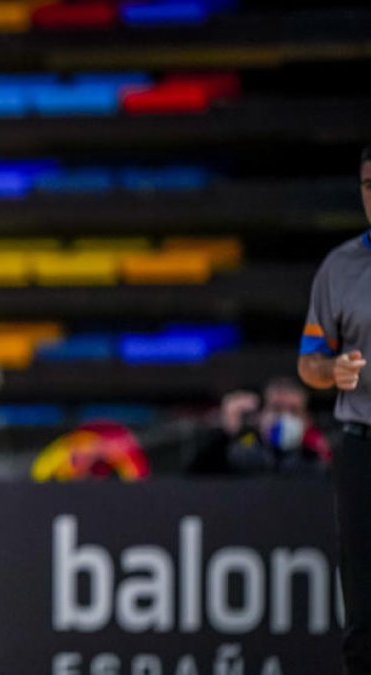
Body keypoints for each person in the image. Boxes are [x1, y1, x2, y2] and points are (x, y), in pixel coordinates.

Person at [298, 145, 371, 675]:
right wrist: (333, 372)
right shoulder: (341, 268)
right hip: (362, 445)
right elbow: (309, 362)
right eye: (369, 184)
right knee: (364, 609)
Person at [186, 377, 331, 476]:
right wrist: (227, 433)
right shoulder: (243, 450)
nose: (284, 418)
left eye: (293, 411)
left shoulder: (314, 462)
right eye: (277, 408)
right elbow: (195, 475)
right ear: (261, 415)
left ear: (306, 420)